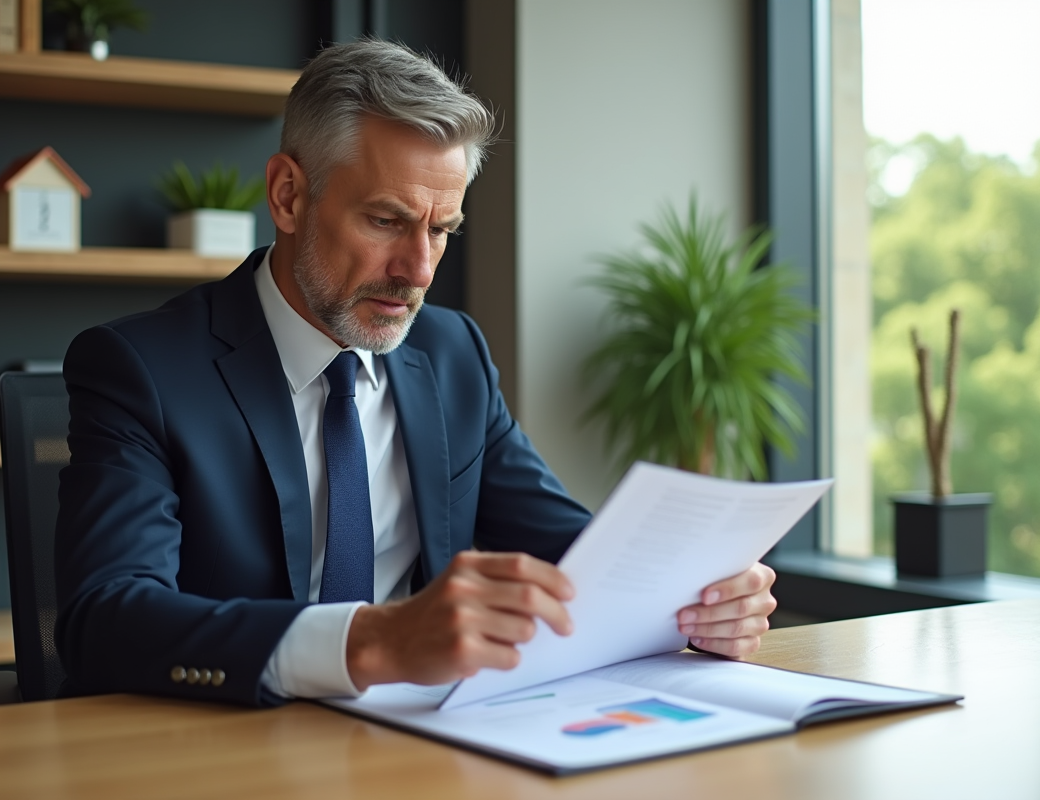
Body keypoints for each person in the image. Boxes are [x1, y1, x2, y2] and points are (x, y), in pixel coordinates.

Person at [54, 39, 777, 707]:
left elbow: (577, 555)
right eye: (386, 221)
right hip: (226, 747)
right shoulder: (139, 370)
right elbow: (106, 617)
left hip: (427, 744)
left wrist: (694, 598)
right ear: (288, 197)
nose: (419, 271)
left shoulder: (453, 352)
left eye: (440, 230)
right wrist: (375, 641)